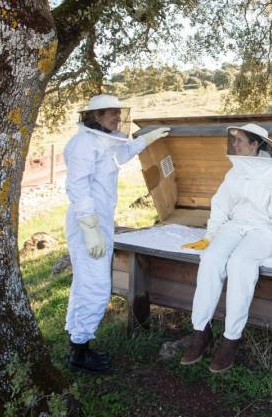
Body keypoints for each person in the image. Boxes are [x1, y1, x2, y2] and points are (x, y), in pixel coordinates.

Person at [180, 123, 272, 373]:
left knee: (240, 263)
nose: (234, 145)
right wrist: (210, 235)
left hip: (263, 230)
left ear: (255, 145)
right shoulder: (234, 173)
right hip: (234, 226)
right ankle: (201, 332)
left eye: (240, 141)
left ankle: (231, 339)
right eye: (233, 141)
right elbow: (221, 205)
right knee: (211, 258)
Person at [64, 94, 169, 373]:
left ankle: (77, 345)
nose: (117, 118)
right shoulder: (83, 144)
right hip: (88, 223)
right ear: (95, 116)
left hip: (99, 223)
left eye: (118, 113)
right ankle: (80, 351)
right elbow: (77, 187)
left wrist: (147, 139)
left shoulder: (103, 140)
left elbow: (121, 153)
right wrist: (89, 229)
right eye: (111, 113)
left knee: (84, 283)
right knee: (96, 286)